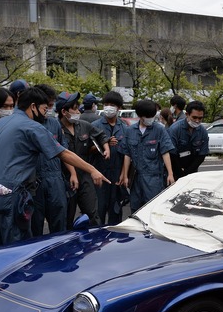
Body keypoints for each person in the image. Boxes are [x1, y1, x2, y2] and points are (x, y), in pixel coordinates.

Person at [0, 87, 110, 251]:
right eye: (44, 109)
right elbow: (63, 153)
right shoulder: (31, 126)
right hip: (9, 194)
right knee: (16, 250)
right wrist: (92, 170)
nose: (46, 113)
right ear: (33, 106)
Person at [57, 91, 110, 227]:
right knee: (66, 218)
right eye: (74, 108)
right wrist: (72, 173)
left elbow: (100, 135)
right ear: (64, 111)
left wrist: (106, 148)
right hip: (65, 178)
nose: (77, 111)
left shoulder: (83, 125)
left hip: (85, 175)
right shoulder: (56, 128)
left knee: (92, 214)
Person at [120, 99, 175, 212]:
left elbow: (165, 152)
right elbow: (127, 154)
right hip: (136, 178)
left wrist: (170, 173)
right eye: (148, 116)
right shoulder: (130, 131)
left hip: (154, 178)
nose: (151, 119)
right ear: (140, 116)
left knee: (153, 209)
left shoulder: (159, 129)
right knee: (135, 209)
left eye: (152, 116)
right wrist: (125, 176)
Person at [31, 84, 70, 236]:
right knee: (35, 226)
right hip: (34, 181)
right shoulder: (27, 124)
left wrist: (72, 173)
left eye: (51, 106)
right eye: (47, 106)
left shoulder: (54, 123)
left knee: (59, 223)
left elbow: (64, 151)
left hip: (55, 180)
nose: (49, 109)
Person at [91, 91, 128, 224]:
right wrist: (103, 144)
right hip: (100, 173)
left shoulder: (124, 127)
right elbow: (87, 150)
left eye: (112, 105)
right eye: (106, 104)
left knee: (116, 211)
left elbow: (127, 154)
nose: (108, 107)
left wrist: (124, 175)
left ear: (119, 108)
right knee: (98, 210)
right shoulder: (95, 126)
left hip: (117, 175)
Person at [168, 100, 209, 180]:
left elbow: (202, 155)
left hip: (192, 171)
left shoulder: (202, 131)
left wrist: (188, 172)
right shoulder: (175, 129)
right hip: (175, 169)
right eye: (194, 117)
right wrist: (181, 173)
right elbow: (172, 154)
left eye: (200, 118)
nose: (197, 121)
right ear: (187, 114)